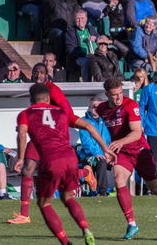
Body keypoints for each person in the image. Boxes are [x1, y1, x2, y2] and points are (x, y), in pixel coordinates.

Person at [14, 83, 113, 245]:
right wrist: (105, 148)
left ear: (31, 99)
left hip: (51, 160)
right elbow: (90, 126)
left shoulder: (26, 114)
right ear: (48, 98)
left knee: (44, 203)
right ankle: (86, 230)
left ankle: (66, 244)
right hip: (70, 158)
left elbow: (22, 134)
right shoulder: (62, 113)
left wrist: (21, 158)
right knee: (68, 198)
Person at [8, 63, 98, 225]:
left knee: (57, 176)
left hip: (53, 139)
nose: (38, 75)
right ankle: (24, 214)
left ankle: (85, 173)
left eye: (41, 72)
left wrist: (66, 127)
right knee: (27, 170)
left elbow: (67, 112)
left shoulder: (52, 90)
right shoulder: (36, 91)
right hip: (38, 137)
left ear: (47, 75)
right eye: (35, 72)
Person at [97, 78, 157, 239]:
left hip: (139, 150)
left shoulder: (130, 105)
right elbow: (101, 130)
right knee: (118, 178)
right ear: (107, 94)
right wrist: (108, 149)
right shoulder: (102, 109)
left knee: (154, 187)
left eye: (120, 93)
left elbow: (136, 132)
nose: (118, 98)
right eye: (114, 95)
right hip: (122, 152)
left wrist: (117, 143)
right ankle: (132, 224)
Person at [77, 97, 115, 196]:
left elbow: (109, 140)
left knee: (117, 161)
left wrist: (110, 154)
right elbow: (86, 143)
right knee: (101, 161)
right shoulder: (84, 121)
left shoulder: (106, 121)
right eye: (94, 106)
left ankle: (115, 190)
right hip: (89, 156)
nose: (96, 109)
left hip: (104, 154)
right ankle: (102, 192)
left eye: (98, 107)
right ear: (89, 108)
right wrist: (96, 153)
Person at [65, 9, 98, 82]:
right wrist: (85, 54)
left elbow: (99, 39)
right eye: (78, 18)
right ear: (74, 19)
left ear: (86, 19)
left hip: (94, 55)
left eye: (82, 18)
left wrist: (95, 39)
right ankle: (87, 83)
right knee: (86, 62)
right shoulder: (71, 31)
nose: (80, 20)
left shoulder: (90, 28)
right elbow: (70, 50)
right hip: (79, 57)